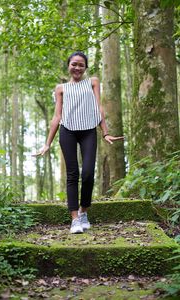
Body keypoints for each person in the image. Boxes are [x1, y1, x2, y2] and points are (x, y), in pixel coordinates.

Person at [33, 51, 124, 234]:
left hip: (88, 131)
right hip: (67, 132)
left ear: (85, 68)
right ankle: (74, 219)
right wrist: (47, 143)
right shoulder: (61, 88)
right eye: (74, 64)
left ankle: (83, 212)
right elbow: (57, 116)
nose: (77, 67)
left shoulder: (93, 82)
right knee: (72, 174)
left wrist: (105, 132)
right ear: (68, 65)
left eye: (81, 65)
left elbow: (99, 107)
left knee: (88, 173)